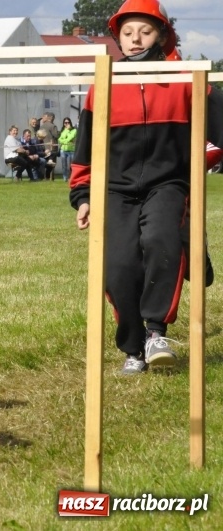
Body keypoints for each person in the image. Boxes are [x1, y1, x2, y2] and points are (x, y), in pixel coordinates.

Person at [70, 0, 223, 374]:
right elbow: (85, 148)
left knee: (160, 239)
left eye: (145, 31)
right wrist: (84, 195)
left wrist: (202, 162)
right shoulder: (102, 85)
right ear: (117, 38)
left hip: (168, 183)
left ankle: (156, 331)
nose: (135, 39)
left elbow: (216, 131)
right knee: (118, 266)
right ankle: (133, 347)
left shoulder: (186, 77)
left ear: (162, 35)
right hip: (115, 189)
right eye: (127, 32)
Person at [59, 118, 77, 182]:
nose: (66, 124)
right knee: (64, 165)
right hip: (63, 150)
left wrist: (64, 140)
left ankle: (71, 177)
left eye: (68, 122)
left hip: (71, 150)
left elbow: (70, 137)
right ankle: (65, 177)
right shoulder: (62, 130)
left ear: (70, 123)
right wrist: (66, 130)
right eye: (65, 123)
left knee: (71, 165)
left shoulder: (74, 130)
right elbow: (59, 139)